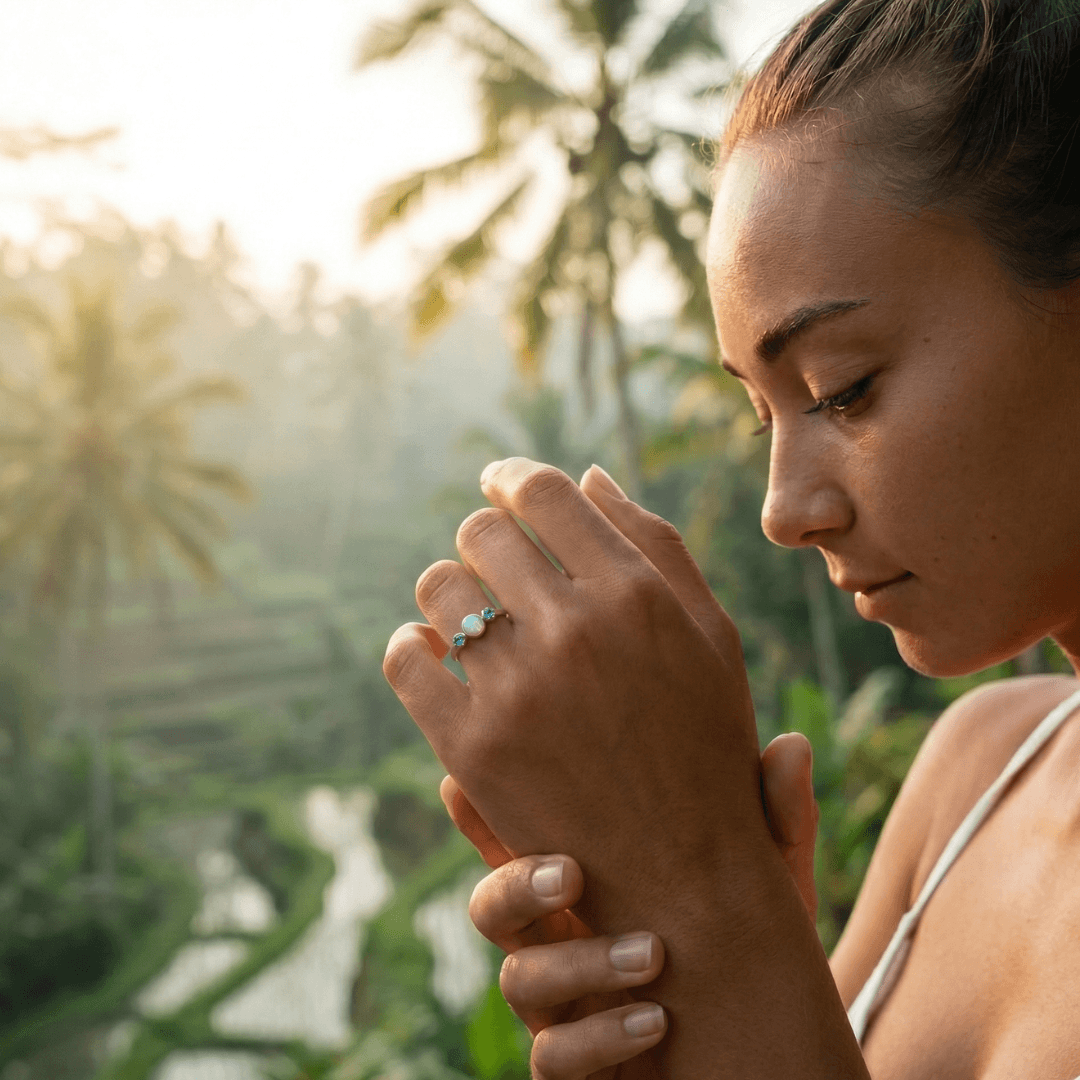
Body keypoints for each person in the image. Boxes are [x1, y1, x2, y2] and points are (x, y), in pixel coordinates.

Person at [383, 0, 1080, 1075]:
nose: (784, 509)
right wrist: (689, 982)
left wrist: (709, 898)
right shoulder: (975, 773)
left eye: (843, 390)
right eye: (764, 414)